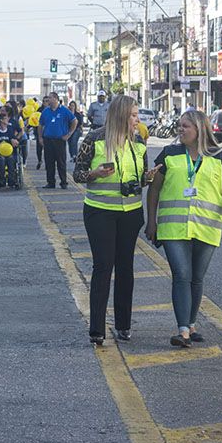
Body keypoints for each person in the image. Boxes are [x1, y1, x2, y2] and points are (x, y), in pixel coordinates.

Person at [146, 110, 222, 347]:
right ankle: (183, 331)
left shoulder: (218, 157)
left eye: (185, 126)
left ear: (199, 129)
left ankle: (191, 323)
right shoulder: (169, 154)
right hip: (172, 228)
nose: (180, 130)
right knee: (182, 275)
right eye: (179, 126)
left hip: (206, 228)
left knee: (197, 278)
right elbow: (154, 189)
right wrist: (151, 221)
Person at [72, 95, 156, 345]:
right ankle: (97, 328)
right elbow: (77, 174)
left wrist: (147, 178)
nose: (137, 119)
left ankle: (124, 325)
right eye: (133, 115)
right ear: (120, 115)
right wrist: (95, 174)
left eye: (137, 114)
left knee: (125, 269)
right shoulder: (95, 139)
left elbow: (139, 178)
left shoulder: (138, 141)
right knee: (103, 266)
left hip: (130, 213)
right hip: (100, 212)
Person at [38, 92, 77, 189]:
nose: (48, 101)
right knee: (49, 162)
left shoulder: (64, 110)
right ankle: (51, 182)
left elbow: (74, 121)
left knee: (61, 162)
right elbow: (40, 125)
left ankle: (63, 182)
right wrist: (40, 137)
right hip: (48, 140)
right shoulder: (46, 111)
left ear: (55, 99)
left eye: (49, 99)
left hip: (59, 140)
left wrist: (69, 134)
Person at [0, 112, 18, 188]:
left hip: (9, 152)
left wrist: (15, 141)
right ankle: (2, 180)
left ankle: (11, 180)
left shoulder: (10, 130)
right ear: (1, 120)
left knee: (11, 159)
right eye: (6, 118)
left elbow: (15, 140)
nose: (8, 120)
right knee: (1, 159)